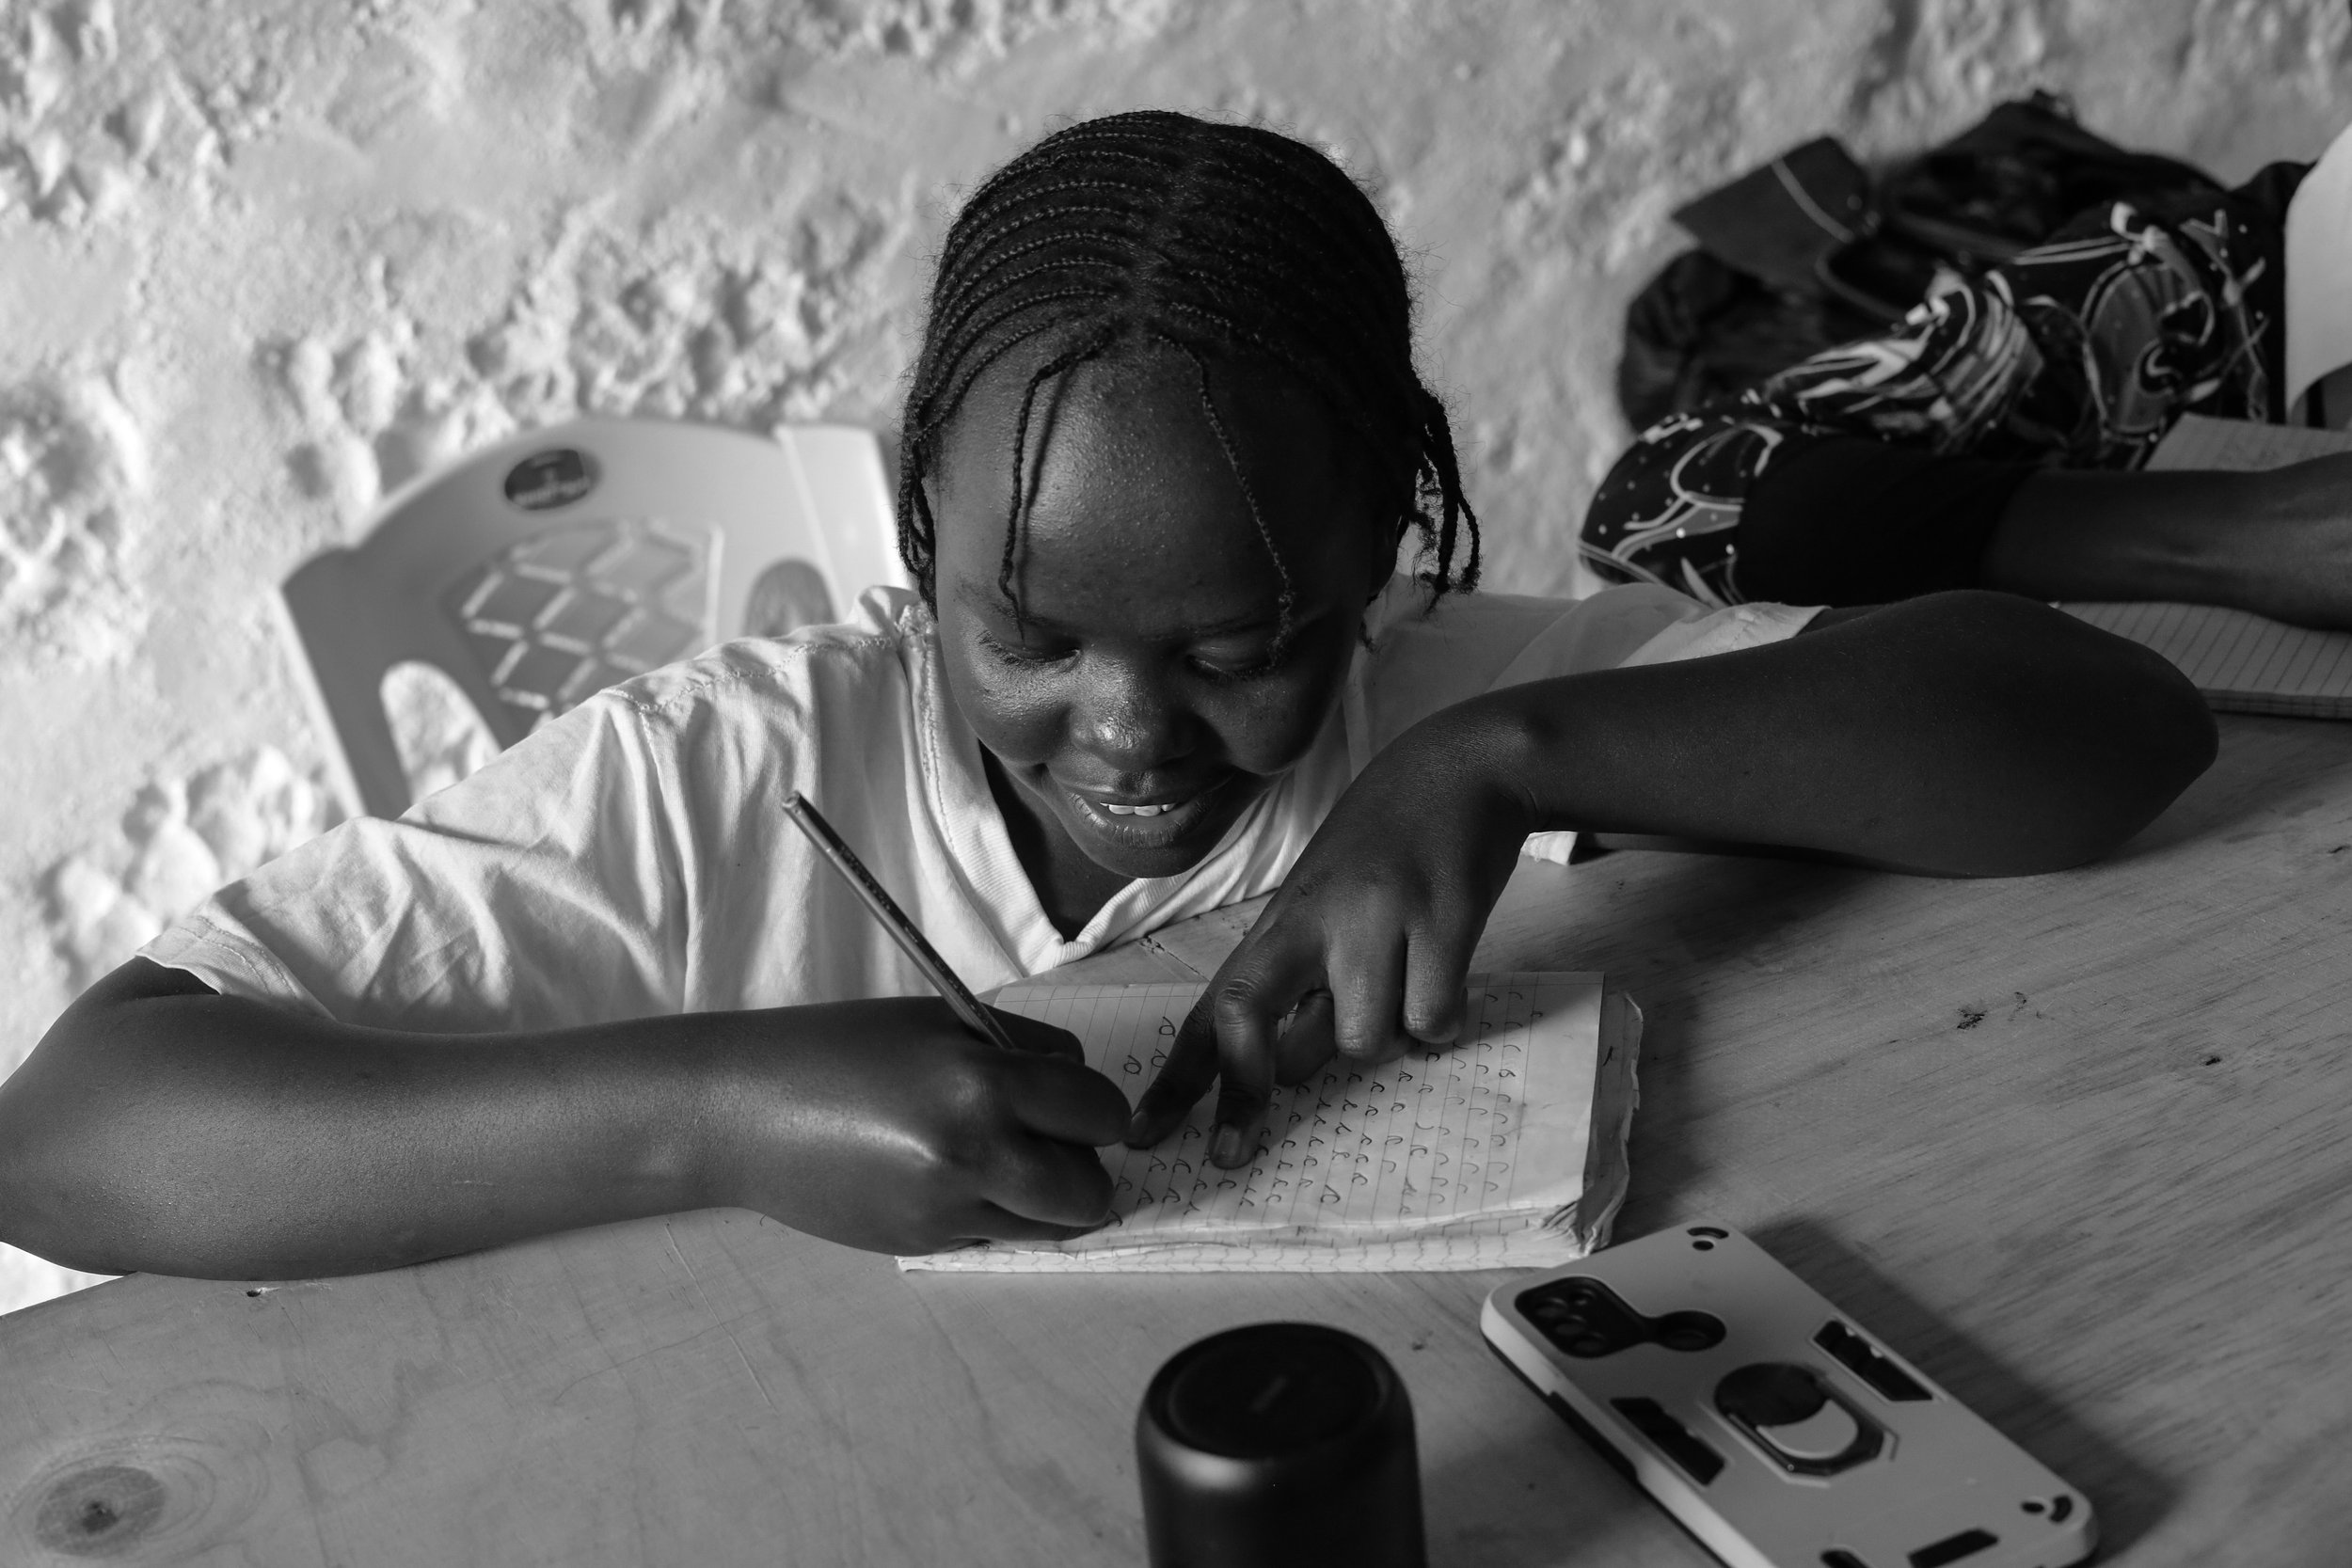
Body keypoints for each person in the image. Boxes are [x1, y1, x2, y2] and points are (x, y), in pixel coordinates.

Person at [0, 111, 2217, 1282]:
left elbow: (2114, 729)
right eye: (1029, 628)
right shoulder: (723, 780)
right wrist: (715, 1110)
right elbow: (79, 1130)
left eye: (1246, 640)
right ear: (915, 539)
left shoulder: (1452, 704)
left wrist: (1505, 754)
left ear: (1384, 551)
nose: (1130, 726)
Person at [1581, 120, 2352, 626]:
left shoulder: (2161, 290)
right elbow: (1654, 515)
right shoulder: (2150, 329)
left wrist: (2231, 538)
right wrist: (2231, 539)